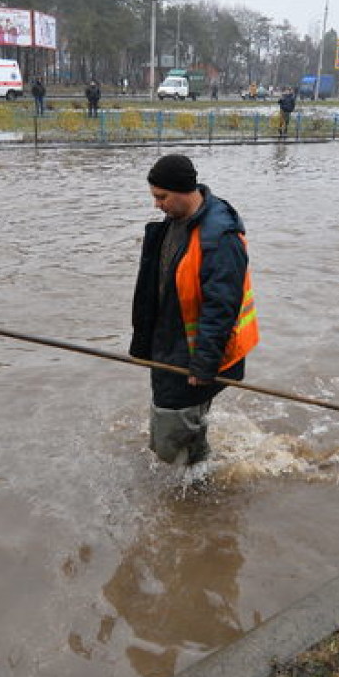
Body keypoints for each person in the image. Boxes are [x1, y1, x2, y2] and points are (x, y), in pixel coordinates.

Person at [130, 154, 259, 466]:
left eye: (161, 197)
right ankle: (196, 475)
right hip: (170, 343)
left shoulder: (219, 237)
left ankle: (195, 490)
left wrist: (204, 365)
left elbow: (222, 307)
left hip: (196, 354)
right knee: (178, 423)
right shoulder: (175, 221)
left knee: (170, 434)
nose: (156, 205)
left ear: (184, 191)